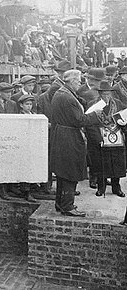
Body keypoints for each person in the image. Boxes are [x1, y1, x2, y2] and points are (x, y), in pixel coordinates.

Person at [50, 69, 102, 217]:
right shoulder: (67, 97)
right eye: (78, 81)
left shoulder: (62, 93)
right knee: (69, 171)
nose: (80, 84)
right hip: (69, 138)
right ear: (72, 81)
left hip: (62, 135)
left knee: (63, 172)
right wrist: (95, 115)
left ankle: (61, 203)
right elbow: (79, 120)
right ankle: (68, 206)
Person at [86, 80, 126, 198]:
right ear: (100, 94)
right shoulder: (93, 105)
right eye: (104, 94)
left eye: (109, 94)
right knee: (101, 163)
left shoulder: (118, 104)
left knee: (116, 163)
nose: (107, 96)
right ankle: (101, 188)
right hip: (100, 139)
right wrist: (98, 138)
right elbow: (89, 123)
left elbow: (124, 117)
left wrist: (123, 125)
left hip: (116, 139)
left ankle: (116, 187)